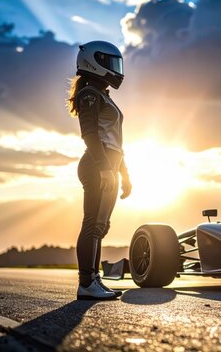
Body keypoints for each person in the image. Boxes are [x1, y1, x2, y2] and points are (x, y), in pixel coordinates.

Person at [67, 41, 131, 300]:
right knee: (92, 224)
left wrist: (124, 174)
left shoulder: (103, 95)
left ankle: (94, 280)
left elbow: (117, 141)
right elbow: (90, 134)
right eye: (111, 63)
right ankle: (86, 282)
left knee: (101, 226)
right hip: (97, 164)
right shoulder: (90, 94)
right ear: (95, 62)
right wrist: (106, 168)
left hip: (108, 166)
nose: (116, 70)